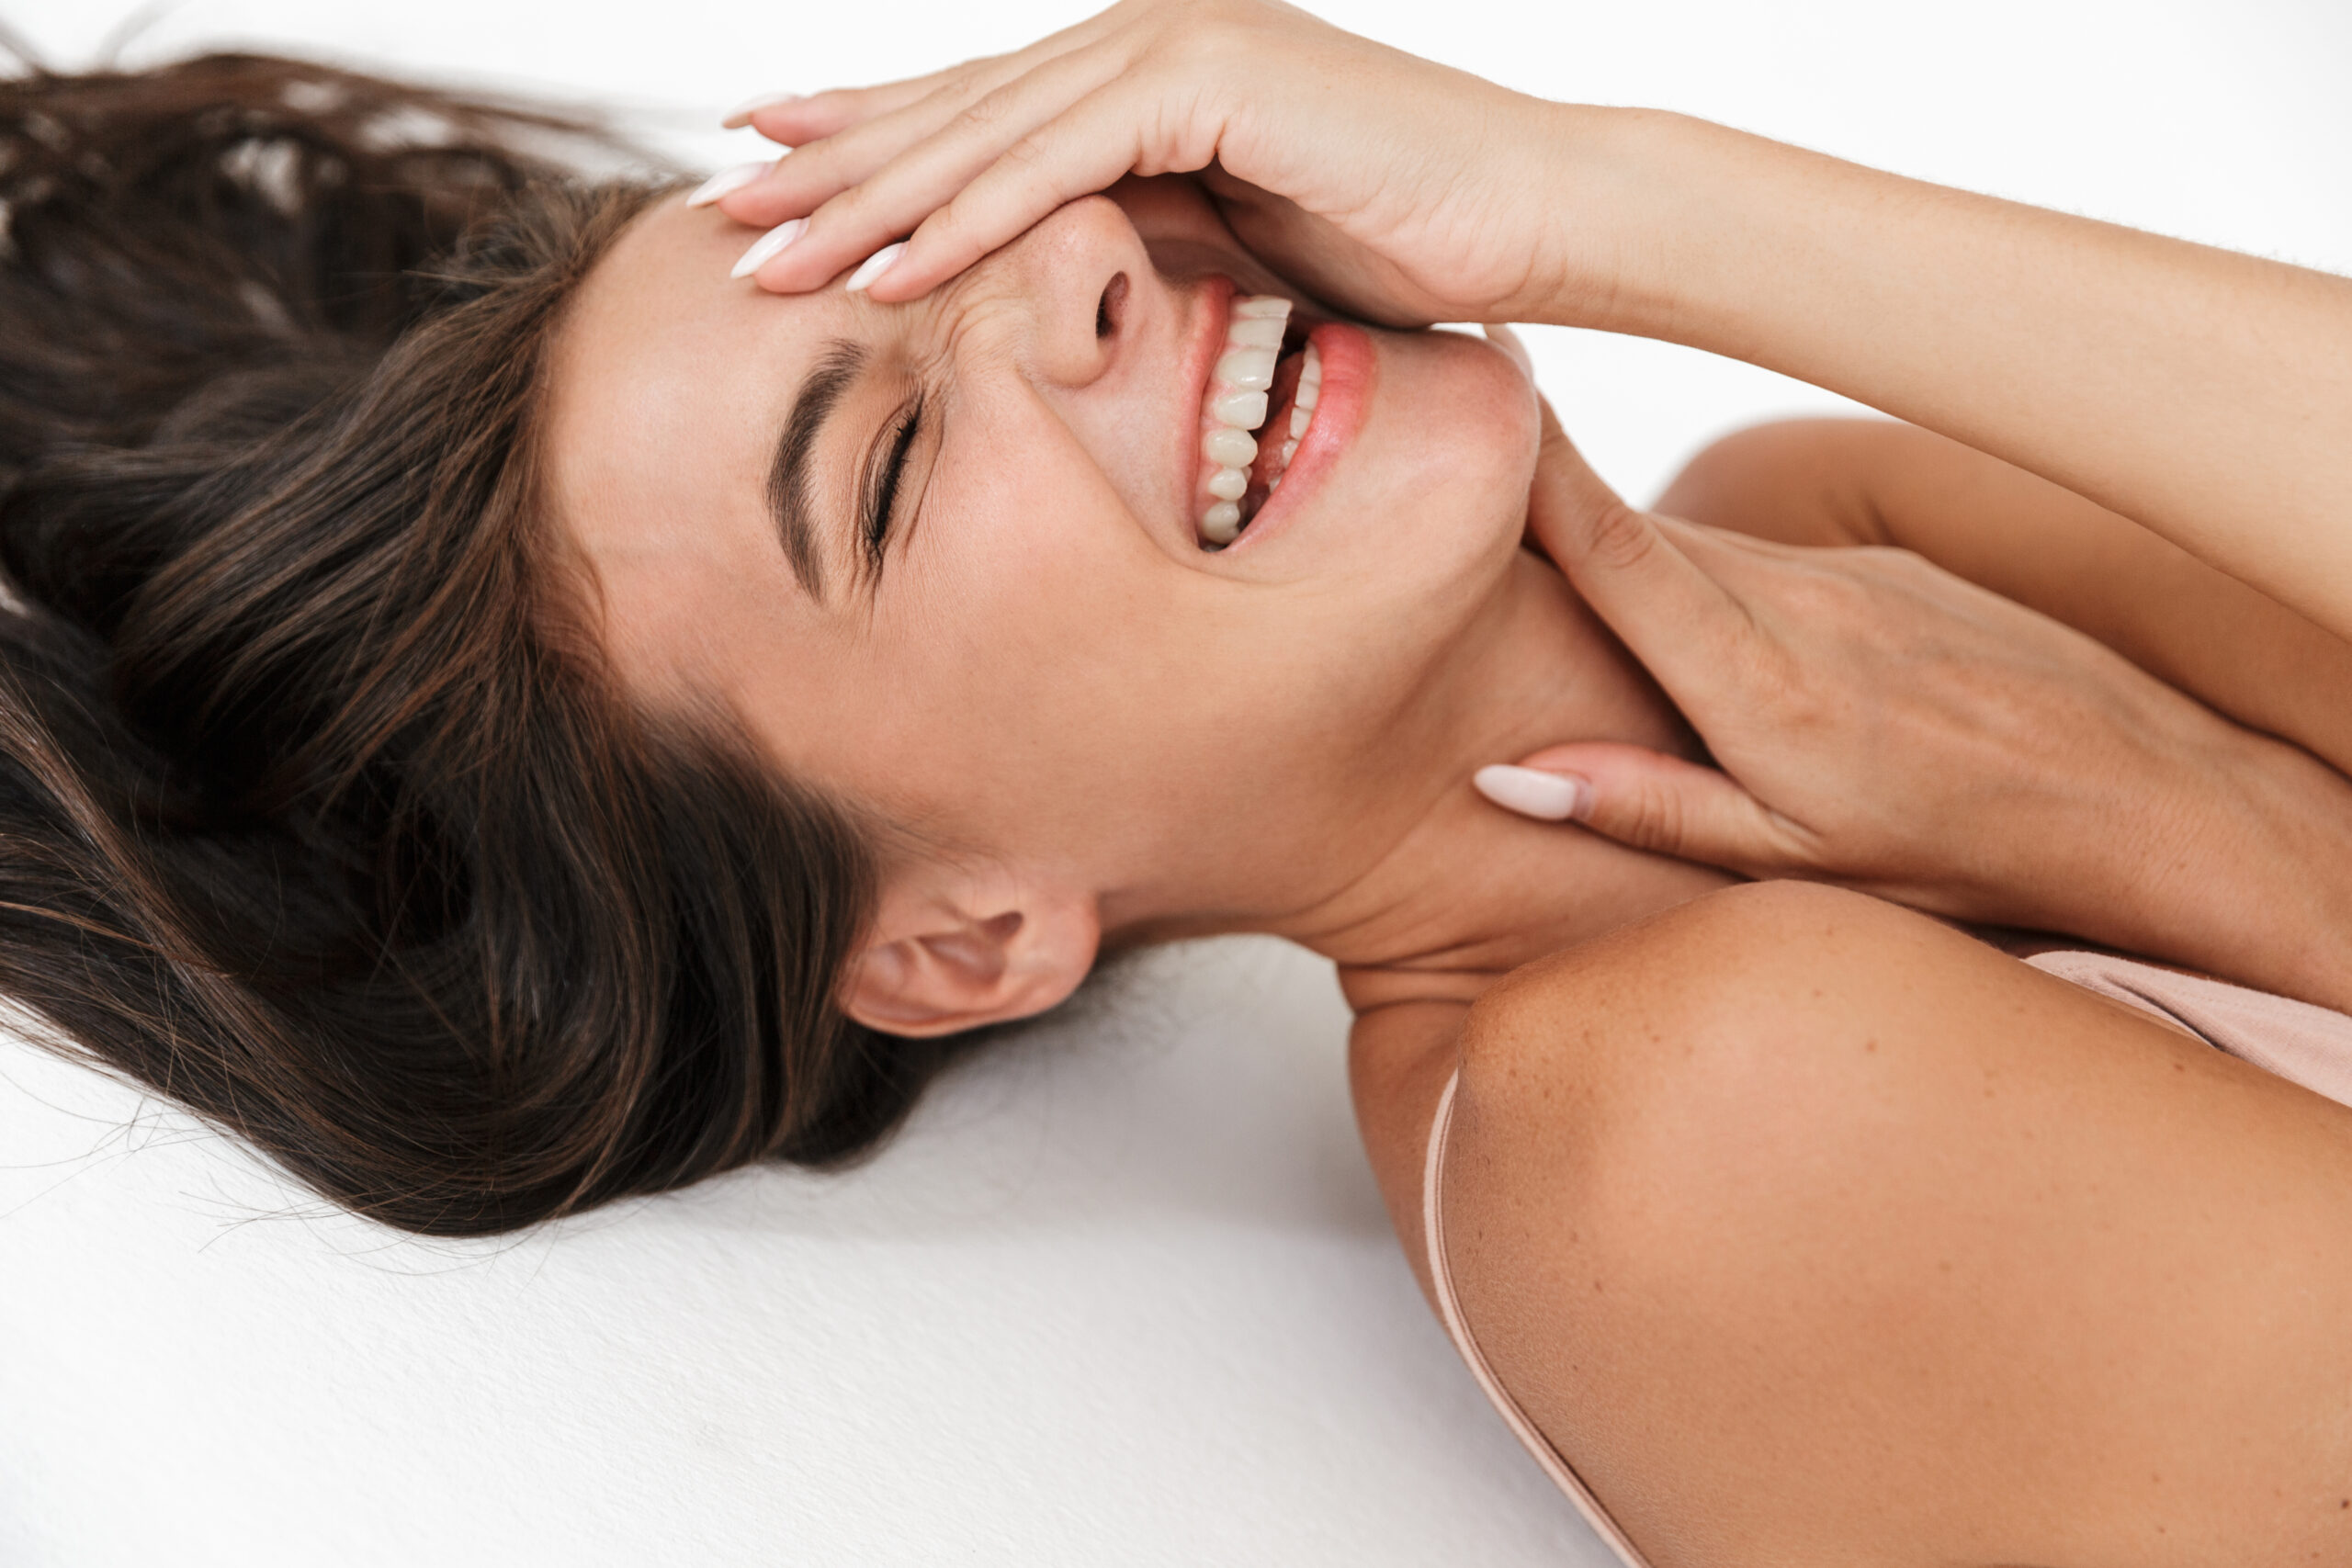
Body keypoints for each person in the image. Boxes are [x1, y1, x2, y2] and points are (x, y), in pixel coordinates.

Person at [4, 3, 2348, 1558]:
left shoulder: (1832, 511)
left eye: (954, 228)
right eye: (894, 460)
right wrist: (2175, 822)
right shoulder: (1668, 1119)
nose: (1081, 283)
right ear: (956, 933)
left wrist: (1617, 199)